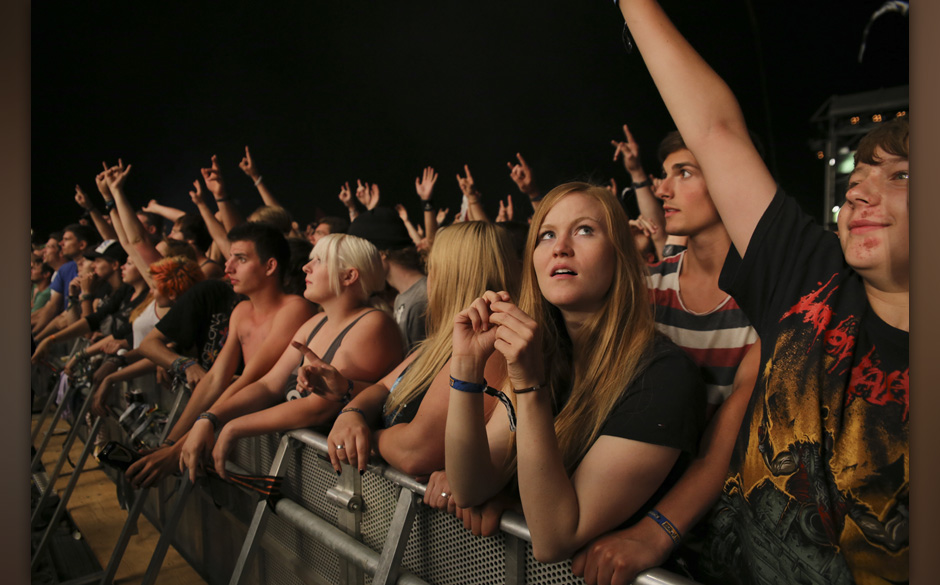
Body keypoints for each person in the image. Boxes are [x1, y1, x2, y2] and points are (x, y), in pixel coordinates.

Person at [591, 3, 909, 584]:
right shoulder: (810, 281)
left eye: (901, 176)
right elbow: (714, 129)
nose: (860, 194)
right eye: (856, 179)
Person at [445, 183, 706, 562]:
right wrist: (466, 371)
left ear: (620, 255)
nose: (560, 247)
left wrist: (530, 386)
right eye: (547, 234)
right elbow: (469, 487)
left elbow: (555, 537)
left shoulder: (663, 376)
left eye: (585, 230)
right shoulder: (549, 354)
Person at [178, 233, 403, 481]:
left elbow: (318, 409)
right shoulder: (316, 322)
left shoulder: (374, 325)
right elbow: (268, 385)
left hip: (347, 480)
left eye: (319, 260)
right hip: (311, 473)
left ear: (349, 276)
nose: (306, 266)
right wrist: (210, 417)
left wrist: (233, 426)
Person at [320, 221, 520, 478]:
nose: (427, 281)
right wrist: (351, 415)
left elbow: (416, 452)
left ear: (450, 276)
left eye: (431, 269)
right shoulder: (438, 342)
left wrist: (368, 437)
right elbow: (382, 388)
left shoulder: (488, 351)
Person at [126, 223, 315, 488]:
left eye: (241, 259)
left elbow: (251, 379)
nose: (228, 268)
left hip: (283, 444)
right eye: (229, 258)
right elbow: (215, 378)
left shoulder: (295, 309)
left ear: (270, 266)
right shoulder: (241, 311)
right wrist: (170, 443)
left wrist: (178, 450)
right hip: (248, 430)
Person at [348, 207, 429, 354]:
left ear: (381, 253)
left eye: (360, 254)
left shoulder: (421, 299)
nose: (356, 263)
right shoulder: (403, 297)